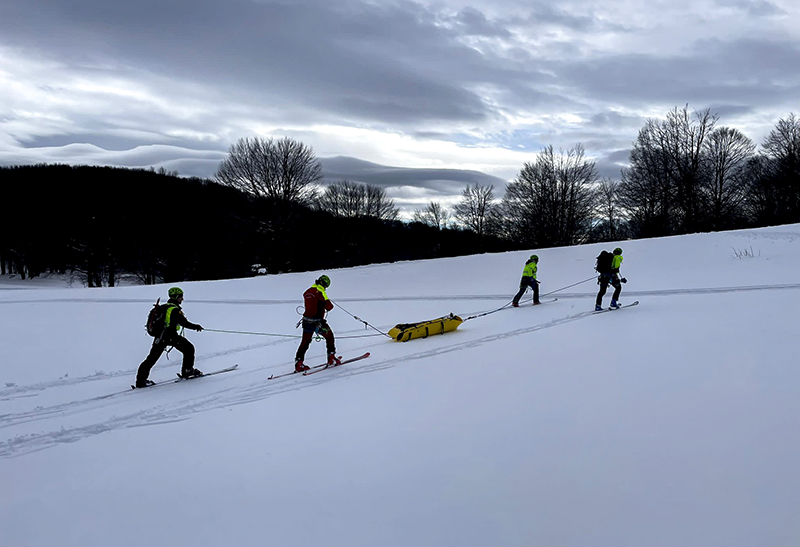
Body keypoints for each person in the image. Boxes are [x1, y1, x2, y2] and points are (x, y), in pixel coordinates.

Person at [135, 286, 204, 387]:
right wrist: (196, 327)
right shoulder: (174, 310)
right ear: (176, 297)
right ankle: (188, 371)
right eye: (181, 297)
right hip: (171, 336)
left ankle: (140, 381)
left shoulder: (164, 307)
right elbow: (184, 323)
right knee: (189, 348)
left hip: (160, 337)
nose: (182, 299)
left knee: (151, 359)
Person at [295, 275, 341, 372]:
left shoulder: (308, 291)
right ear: (324, 284)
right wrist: (325, 301)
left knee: (305, 341)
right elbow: (329, 307)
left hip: (307, 321)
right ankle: (331, 358)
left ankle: (298, 363)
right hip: (317, 322)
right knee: (329, 336)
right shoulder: (321, 292)